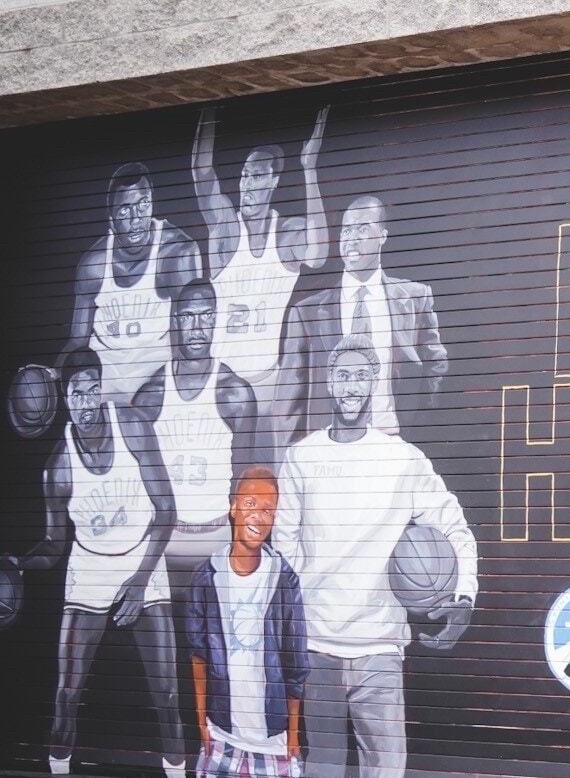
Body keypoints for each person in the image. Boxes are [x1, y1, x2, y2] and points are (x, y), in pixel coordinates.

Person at [274, 338, 475, 778]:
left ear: (374, 382)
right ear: (328, 382)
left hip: (380, 649)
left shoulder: (401, 459)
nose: (351, 385)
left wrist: (463, 596)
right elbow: (284, 555)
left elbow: (455, 528)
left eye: (360, 375)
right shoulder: (301, 457)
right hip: (319, 647)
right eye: (342, 375)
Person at [4, 351, 186, 778]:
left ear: (101, 390)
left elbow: (166, 511)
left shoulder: (134, 428)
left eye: (91, 390)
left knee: (166, 690)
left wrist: (140, 583)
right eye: (75, 394)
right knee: (68, 691)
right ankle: (58, 777)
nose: (85, 403)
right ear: (64, 399)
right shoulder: (59, 469)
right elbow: (54, 545)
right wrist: (20, 562)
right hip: (90, 565)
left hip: (144, 557)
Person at [193, 105, 330, 466]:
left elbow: (317, 254)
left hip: (267, 382)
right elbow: (201, 172)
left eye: (256, 176)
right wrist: (207, 106)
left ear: (272, 182)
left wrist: (309, 169)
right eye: (244, 175)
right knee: (220, 475)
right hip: (221, 383)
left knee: (267, 479)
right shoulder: (226, 229)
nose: (247, 183)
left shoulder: (285, 235)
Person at [277, 196, 447, 444]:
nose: (351, 238)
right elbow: (288, 400)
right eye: (346, 230)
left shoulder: (415, 298)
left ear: (383, 235)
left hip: (394, 444)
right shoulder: (306, 313)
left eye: (362, 228)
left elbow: (436, 365)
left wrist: (419, 430)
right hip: (328, 451)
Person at [129, 280, 260, 604]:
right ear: (175, 322)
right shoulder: (150, 396)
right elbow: (133, 484)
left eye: (206, 316)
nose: (198, 327)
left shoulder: (236, 393)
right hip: (162, 543)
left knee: (210, 650)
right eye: (189, 316)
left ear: (216, 319)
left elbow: (245, 486)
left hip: (214, 539)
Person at [184, 466, 309, 778]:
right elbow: (198, 657)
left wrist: (292, 738)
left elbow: (296, 666)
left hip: (273, 743)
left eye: (268, 509)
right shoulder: (206, 576)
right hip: (222, 738)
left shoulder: (284, 578)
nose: (259, 516)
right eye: (251, 504)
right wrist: (203, 726)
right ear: (233, 507)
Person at [65, 164, 203, 404]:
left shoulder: (177, 253)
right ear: (112, 220)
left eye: (142, 205)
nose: (136, 219)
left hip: (156, 392)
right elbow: (78, 343)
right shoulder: (94, 265)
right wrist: (51, 375)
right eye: (125, 211)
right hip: (103, 396)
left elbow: (190, 342)